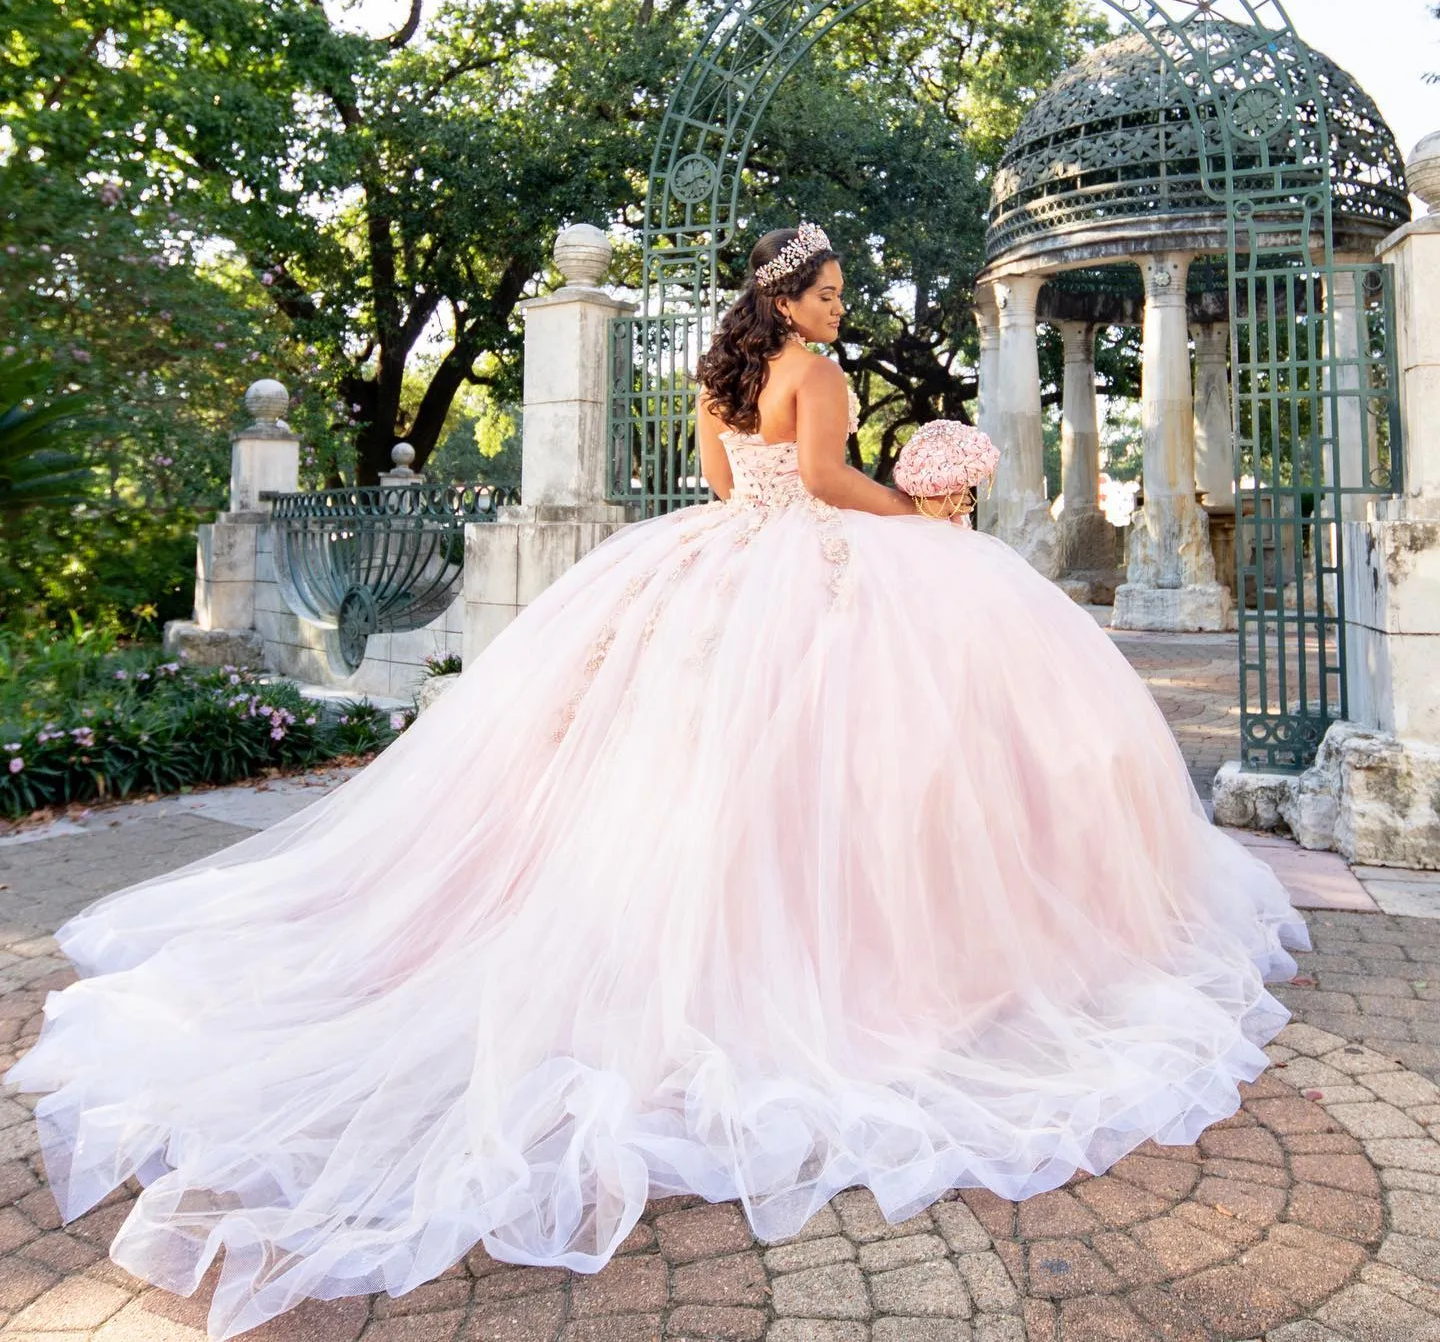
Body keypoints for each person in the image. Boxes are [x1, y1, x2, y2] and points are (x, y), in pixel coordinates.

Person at [7, 222, 1308, 1341]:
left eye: (841, 296)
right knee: (850, 759)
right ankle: (852, 961)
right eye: (830, 292)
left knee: (691, 764)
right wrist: (918, 521)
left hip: (708, 562)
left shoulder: (725, 370)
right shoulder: (815, 374)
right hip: (807, 559)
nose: (840, 310)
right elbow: (824, 482)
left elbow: (719, 481)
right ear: (787, 297)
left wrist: (802, 501)